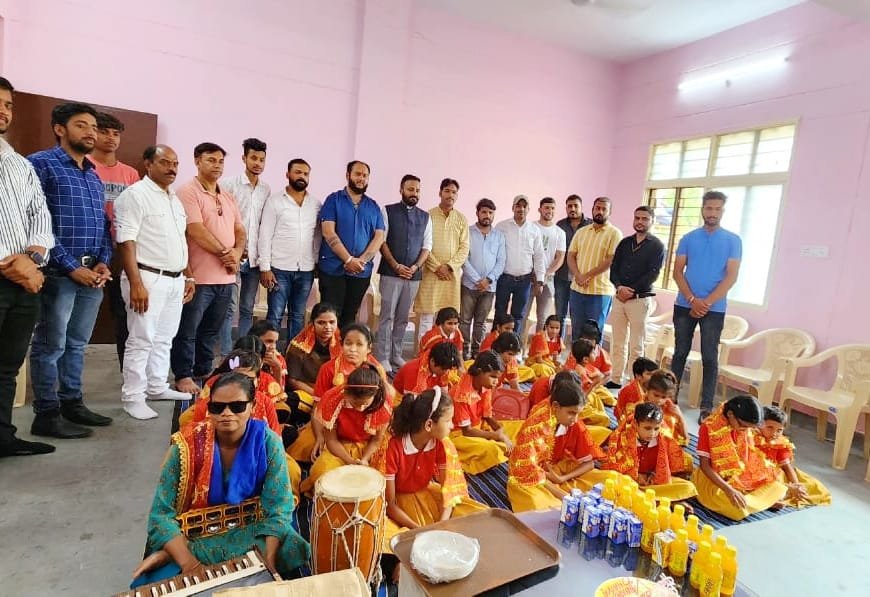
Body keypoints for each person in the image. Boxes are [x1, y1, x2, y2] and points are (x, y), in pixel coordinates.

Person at [130, 373, 310, 586]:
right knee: (146, 584)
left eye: (237, 406)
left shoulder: (267, 442)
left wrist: (267, 563)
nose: (226, 413)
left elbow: (278, 507)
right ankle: (173, 554)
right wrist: (189, 564)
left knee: (289, 544)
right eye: (218, 407)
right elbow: (161, 515)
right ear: (209, 408)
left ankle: (167, 556)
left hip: (250, 529)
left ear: (252, 406)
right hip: (195, 535)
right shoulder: (185, 446)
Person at [28, 102, 114, 439]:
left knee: (78, 343)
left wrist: (104, 260)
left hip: (92, 275)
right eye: (81, 125)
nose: (91, 132)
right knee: (51, 346)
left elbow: (102, 224)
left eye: (94, 127)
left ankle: (72, 402)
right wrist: (69, 266)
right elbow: (38, 224)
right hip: (56, 274)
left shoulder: (92, 174)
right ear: (59, 129)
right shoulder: (41, 164)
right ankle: (46, 413)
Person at [115, 145, 195, 420]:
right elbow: (126, 241)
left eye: (175, 163)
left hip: (174, 278)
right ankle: (133, 397)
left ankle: (156, 386)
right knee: (141, 339)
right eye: (164, 162)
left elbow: (180, 241)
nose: (172, 168)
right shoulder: (135, 196)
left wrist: (188, 275)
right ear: (148, 164)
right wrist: (136, 283)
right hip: (147, 277)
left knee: (164, 337)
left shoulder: (173, 199)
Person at [0, 76, 56, 457]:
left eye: (8, 105)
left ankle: (3, 437)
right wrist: (10, 261)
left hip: (25, 281)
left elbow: (40, 216)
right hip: (9, 272)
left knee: (7, 366)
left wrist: (33, 259)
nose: (4, 111)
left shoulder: (20, 164)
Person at [170, 143, 245, 395]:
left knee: (211, 330)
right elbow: (195, 229)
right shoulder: (187, 192)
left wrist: (236, 253)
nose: (217, 165)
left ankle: (203, 370)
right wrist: (226, 253)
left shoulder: (227, 195)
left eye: (221, 161)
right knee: (187, 330)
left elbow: (239, 229)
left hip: (225, 278)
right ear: (197, 161)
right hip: (198, 277)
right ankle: (183, 375)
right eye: (211, 160)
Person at [383, 388, 487, 551]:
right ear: (429, 424)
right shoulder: (393, 447)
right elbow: (390, 505)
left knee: (479, 514)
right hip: (400, 504)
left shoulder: (442, 443)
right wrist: (419, 529)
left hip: (428, 492)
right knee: (390, 539)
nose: (452, 425)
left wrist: (442, 524)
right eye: (448, 420)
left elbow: (449, 493)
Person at [671, 191, 742, 421]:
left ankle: (706, 408)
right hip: (685, 305)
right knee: (679, 353)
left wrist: (706, 303)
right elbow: (677, 272)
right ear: (702, 209)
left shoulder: (733, 241)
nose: (712, 213)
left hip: (714, 309)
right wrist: (692, 300)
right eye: (709, 208)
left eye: (717, 209)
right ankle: (669, 399)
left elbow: (731, 277)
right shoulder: (688, 238)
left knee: (710, 357)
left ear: (723, 211)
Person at [288, 323, 388, 463]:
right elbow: (318, 407)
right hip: (330, 423)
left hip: (364, 432)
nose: (353, 349)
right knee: (315, 453)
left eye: (359, 344)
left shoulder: (377, 371)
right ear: (341, 345)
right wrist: (319, 436)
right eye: (348, 343)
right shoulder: (328, 369)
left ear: (369, 348)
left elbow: (381, 413)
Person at [507, 381, 612, 512]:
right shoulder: (535, 427)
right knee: (544, 508)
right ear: (555, 406)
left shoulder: (573, 422)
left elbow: (589, 463)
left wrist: (562, 478)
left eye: (578, 414)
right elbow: (526, 470)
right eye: (571, 413)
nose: (575, 419)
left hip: (557, 470)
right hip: (530, 479)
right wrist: (564, 496)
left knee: (611, 480)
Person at [89, 111, 141, 370]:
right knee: (81, 313)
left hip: (122, 249)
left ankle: (126, 371)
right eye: (104, 132)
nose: (110, 138)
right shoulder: (85, 166)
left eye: (115, 133)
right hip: (90, 248)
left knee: (123, 313)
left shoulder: (130, 174)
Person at [300, 364, 393, 494]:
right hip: (340, 446)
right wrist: (350, 461)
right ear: (346, 392)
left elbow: (377, 440)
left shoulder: (382, 403)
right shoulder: (332, 400)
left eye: (365, 404)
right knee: (321, 472)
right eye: (355, 403)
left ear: (375, 395)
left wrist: (364, 459)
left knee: (379, 481)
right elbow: (331, 440)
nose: (360, 409)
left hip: (370, 448)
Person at [693, 395, 786, 521]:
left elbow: (748, 459)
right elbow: (705, 466)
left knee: (778, 487)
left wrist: (743, 483)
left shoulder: (744, 427)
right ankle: (762, 502)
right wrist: (729, 490)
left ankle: (755, 502)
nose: (745, 430)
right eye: (743, 426)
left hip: (739, 476)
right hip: (714, 480)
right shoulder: (708, 427)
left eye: (749, 428)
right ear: (730, 414)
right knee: (738, 511)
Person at [374, 174, 432, 373]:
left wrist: (415, 267)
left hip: (413, 276)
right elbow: (381, 241)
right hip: (391, 273)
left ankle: (396, 355)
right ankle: (382, 356)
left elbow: (427, 246)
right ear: (401, 190)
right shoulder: (388, 211)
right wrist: (395, 265)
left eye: (417, 190)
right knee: (387, 316)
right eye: (410, 189)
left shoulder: (425, 217)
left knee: (402, 318)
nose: (414, 193)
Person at [318, 160, 385, 328]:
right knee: (330, 317)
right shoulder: (333, 200)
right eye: (358, 174)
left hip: (360, 272)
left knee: (349, 317)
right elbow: (328, 232)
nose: (361, 178)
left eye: (365, 175)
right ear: (348, 175)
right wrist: (348, 260)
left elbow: (379, 237)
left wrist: (360, 262)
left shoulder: (373, 206)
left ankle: (345, 346)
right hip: (333, 270)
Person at [258, 158, 320, 340]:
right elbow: (265, 235)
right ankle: (269, 353)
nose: (302, 176)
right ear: (287, 174)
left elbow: (317, 236)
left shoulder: (315, 204)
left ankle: (293, 354)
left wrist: (317, 262)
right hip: (279, 269)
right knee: (275, 316)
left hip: (306, 270)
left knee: (298, 316)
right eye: (298, 172)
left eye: (306, 174)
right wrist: (265, 267)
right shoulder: (275, 202)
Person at [219, 138, 271, 352]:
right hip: (233, 254)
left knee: (247, 307)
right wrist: (233, 247)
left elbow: (264, 225)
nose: (257, 163)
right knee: (228, 308)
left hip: (254, 258)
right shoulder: (228, 185)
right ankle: (226, 352)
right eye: (253, 158)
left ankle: (245, 351)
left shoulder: (266, 190)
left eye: (261, 159)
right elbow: (221, 218)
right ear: (244, 158)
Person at [608, 205, 664, 388]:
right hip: (619, 298)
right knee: (618, 342)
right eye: (637, 218)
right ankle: (616, 379)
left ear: (652, 221)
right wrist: (619, 287)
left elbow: (653, 273)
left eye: (645, 219)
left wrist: (630, 290)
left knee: (636, 345)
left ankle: (634, 384)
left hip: (639, 299)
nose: (640, 222)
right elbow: (614, 269)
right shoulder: (625, 243)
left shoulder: (657, 246)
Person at [603, 402, 696, 502]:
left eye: (656, 428)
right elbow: (615, 465)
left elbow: (665, 470)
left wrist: (653, 474)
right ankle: (659, 499)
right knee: (609, 478)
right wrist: (636, 475)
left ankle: (645, 497)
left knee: (688, 486)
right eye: (647, 428)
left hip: (651, 483)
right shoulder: (623, 438)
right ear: (636, 424)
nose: (652, 433)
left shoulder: (663, 440)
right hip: (627, 480)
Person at [415, 178, 469, 338]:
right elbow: (423, 244)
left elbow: (464, 248)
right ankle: (424, 350)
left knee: (448, 317)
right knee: (427, 316)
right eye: (447, 191)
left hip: (451, 276)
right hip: (431, 274)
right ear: (440, 193)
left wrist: (449, 267)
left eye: (454, 192)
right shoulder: (428, 215)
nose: (450, 195)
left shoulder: (461, 219)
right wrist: (437, 267)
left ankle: (445, 350)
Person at [449, 350, 513, 474]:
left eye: (497, 378)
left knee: (517, 428)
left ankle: (503, 448)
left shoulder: (485, 386)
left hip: (480, 428)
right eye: (492, 377)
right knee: (492, 449)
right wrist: (497, 436)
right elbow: (467, 431)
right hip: (460, 436)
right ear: (479, 372)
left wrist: (500, 430)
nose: (496, 382)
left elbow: (487, 416)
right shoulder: (461, 393)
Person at [566, 196, 622, 339]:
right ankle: (576, 355)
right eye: (597, 208)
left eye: (604, 209)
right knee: (576, 330)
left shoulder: (614, 233)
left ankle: (594, 355)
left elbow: (611, 260)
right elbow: (571, 255)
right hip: (577, 290)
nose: (600, 212)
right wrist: (578, 275)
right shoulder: (581, 232)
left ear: (610, 212)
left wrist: (587, 276)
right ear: (592, 209)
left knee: (594, 333)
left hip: (600, 292)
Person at [757, 406, 831, 507]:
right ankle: (771, 499)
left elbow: (787, 467)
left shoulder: (780, 443)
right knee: (765, 485)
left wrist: (797, 486)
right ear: (759, 424)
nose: (774, 433)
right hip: (755, 474)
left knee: (815, 486)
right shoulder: (750, 438)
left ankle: (780, 495)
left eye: (779, 430)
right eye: (770, 428)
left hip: (775, 473)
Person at [459, 198, 505, 360]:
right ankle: (464, 352)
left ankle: (477, 352)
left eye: (490, 213)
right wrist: (478, 280)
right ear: (477, 213)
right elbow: (463, 258)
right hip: (469, 285)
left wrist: (488, 280)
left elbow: (501, 261)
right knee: (465, 320)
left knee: (481, 322)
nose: (487, 215)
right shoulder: (468, 232)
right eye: (484, 212)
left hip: (489, 287)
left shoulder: (499, 236)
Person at [494, 195, 545, 337]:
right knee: (500, 313)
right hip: (504, 278)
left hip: (524, 281)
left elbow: (539, 256)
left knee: (518, 315)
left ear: (528, 209)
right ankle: (496, 344)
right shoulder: (501, 227)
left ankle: (513, 344)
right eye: (518, 205)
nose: (521, 209)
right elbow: (494, 251)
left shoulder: (534, 230)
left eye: (524, 206)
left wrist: (540, 280)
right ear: (513, 208)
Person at [283, 303, 341, 426]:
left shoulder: (342, 345)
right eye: (321, 323)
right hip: (309, 393)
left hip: (335, 396)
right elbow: (292, 381)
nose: (327, 327)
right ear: (312, 323)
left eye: (332, 322)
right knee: (292, 401)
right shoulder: (299, 346)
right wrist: (319, 396)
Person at [554, 194, 591, 339]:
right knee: (559, 315)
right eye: (569, 206)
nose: (573, 209)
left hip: (581, 279)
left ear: (581, 207)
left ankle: (578, 348)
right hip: (561, 277)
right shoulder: (560, 225)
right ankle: (558, 346)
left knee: (578, 316)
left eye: (576, 206)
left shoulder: (590, 225)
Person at [531, 197, 566, 333]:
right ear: (540, 209)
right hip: (529, 278)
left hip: (548, 280)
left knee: (543, 318)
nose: (549, 211)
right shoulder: (531, 227)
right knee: (522, 314)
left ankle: (538, 345)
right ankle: (519, 344)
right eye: (546, 207)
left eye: (552, 208)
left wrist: (546, 274)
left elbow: (560, 257)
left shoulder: (559, 232)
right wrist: (535, 274)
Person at [566, 339, 612, 431]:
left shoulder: (582, 366)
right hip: (578, 404)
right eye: (593, 353)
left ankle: (596, 414)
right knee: (605, 419)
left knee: (595, 397)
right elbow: (582, 396)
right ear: (585, 359)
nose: (595, 354)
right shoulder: (581, 372)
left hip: (583, 398)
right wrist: (595, 382)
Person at [392, 341, 462, 395]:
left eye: (448, 369)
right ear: (432, 361)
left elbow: (444, 394)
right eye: (444, 369)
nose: (446, 372)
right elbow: (411, 403)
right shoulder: (414, 373)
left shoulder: (442, 365)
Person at [614, 357, 658, 421]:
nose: (654, 377)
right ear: (638, 376)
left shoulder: (657, 389)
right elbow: (619, 413)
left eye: (655, 374)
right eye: (649, 374)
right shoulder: (627, 391)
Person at [249, 319, 287, 389]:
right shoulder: (244, 357)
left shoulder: (279, 359)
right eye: (269, 341)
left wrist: (277, 368)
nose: (273, 347)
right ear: (255, 339)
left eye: (275, 342)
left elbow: (279, 393)